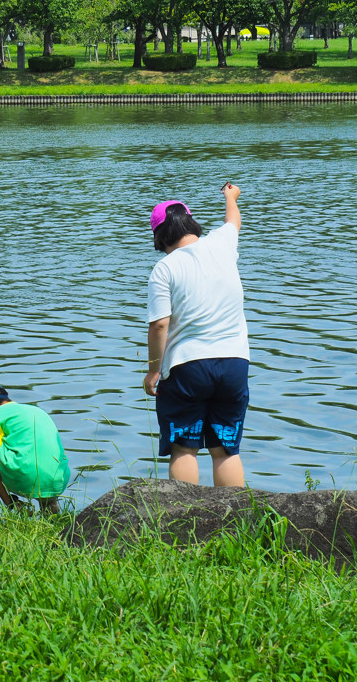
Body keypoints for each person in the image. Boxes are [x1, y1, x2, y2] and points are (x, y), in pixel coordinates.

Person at [144, 183, 248, 487]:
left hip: (187, 367)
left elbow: (159, 325)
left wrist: (153, 371)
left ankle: (185, 515)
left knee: (184, 448)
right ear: (190, 223)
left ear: (160, 237)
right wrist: (230, 196)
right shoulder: (222, 244)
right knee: (225, 449)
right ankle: (237, 515)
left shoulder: (164, 269)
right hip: (234, 363)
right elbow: (233, 220)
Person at [0, 381, 70, 513]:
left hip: (23, 479)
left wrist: (9, 502)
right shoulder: (36, 411)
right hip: (58, 481)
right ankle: (50, 505)